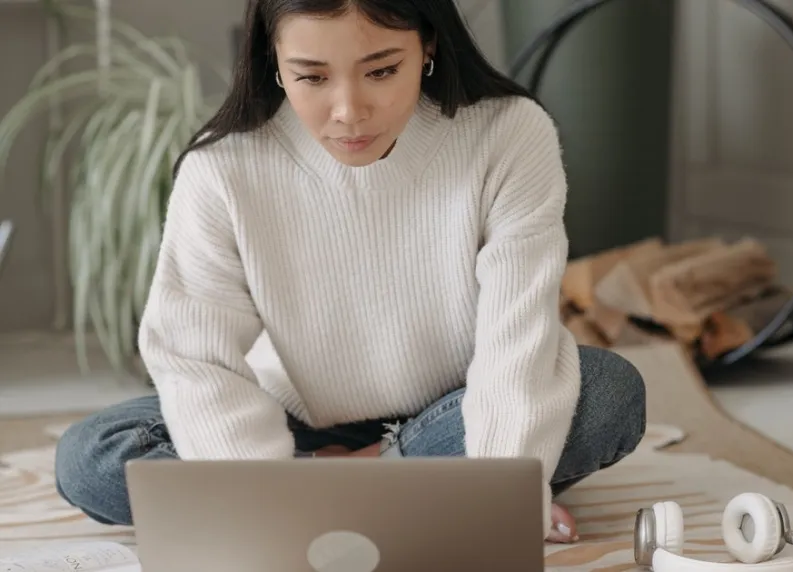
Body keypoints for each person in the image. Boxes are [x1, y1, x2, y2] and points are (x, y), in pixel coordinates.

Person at [52, 0, 646, 545]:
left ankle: (375, 486)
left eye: (382, 70)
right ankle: (405, 495)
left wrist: (505, 494)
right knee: (91, 457)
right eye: (312, 76)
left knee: (608, 394)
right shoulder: (222, 168)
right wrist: (273, 488)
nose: (349, 112)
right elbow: (194, 357)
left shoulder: (510, 133)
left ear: (429, 46)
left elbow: (518, 339)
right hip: (296, 422)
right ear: (274, 63)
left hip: (457, 412)